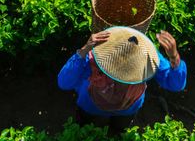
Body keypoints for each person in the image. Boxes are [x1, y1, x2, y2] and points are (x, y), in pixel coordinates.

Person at [57, 26, 187, 132]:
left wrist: (84, 50)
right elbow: (175, 84)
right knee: (102, 128)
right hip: (112, 107)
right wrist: (174, 57)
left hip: (108, 107)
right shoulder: (144, 55)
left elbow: (64, 82)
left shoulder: (93, 59)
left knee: (103, 129)